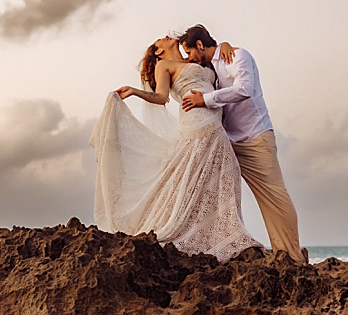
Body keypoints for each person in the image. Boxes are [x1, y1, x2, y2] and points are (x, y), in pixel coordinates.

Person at [91, 34, 262, 262]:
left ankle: (220, 232)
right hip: (195, 123)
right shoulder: (164, 65)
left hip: (216, 127)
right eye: (159, 40)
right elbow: (161, 97)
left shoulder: (196, 60)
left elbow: (212, 49)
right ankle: (190, 232)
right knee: (190, 178)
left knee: (225, 175)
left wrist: (228, 45)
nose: (165, 36)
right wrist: (134, 91)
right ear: (159, 52)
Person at [178, 24, 305, 264]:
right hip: (226, 142)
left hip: (254, 138)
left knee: (274, 198)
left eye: (190, 52)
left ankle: (291, 257)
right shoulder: (210, 69)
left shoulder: (237, 56)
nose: (188, 58)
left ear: (200, 45)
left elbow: (244, 89)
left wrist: (205, 99)